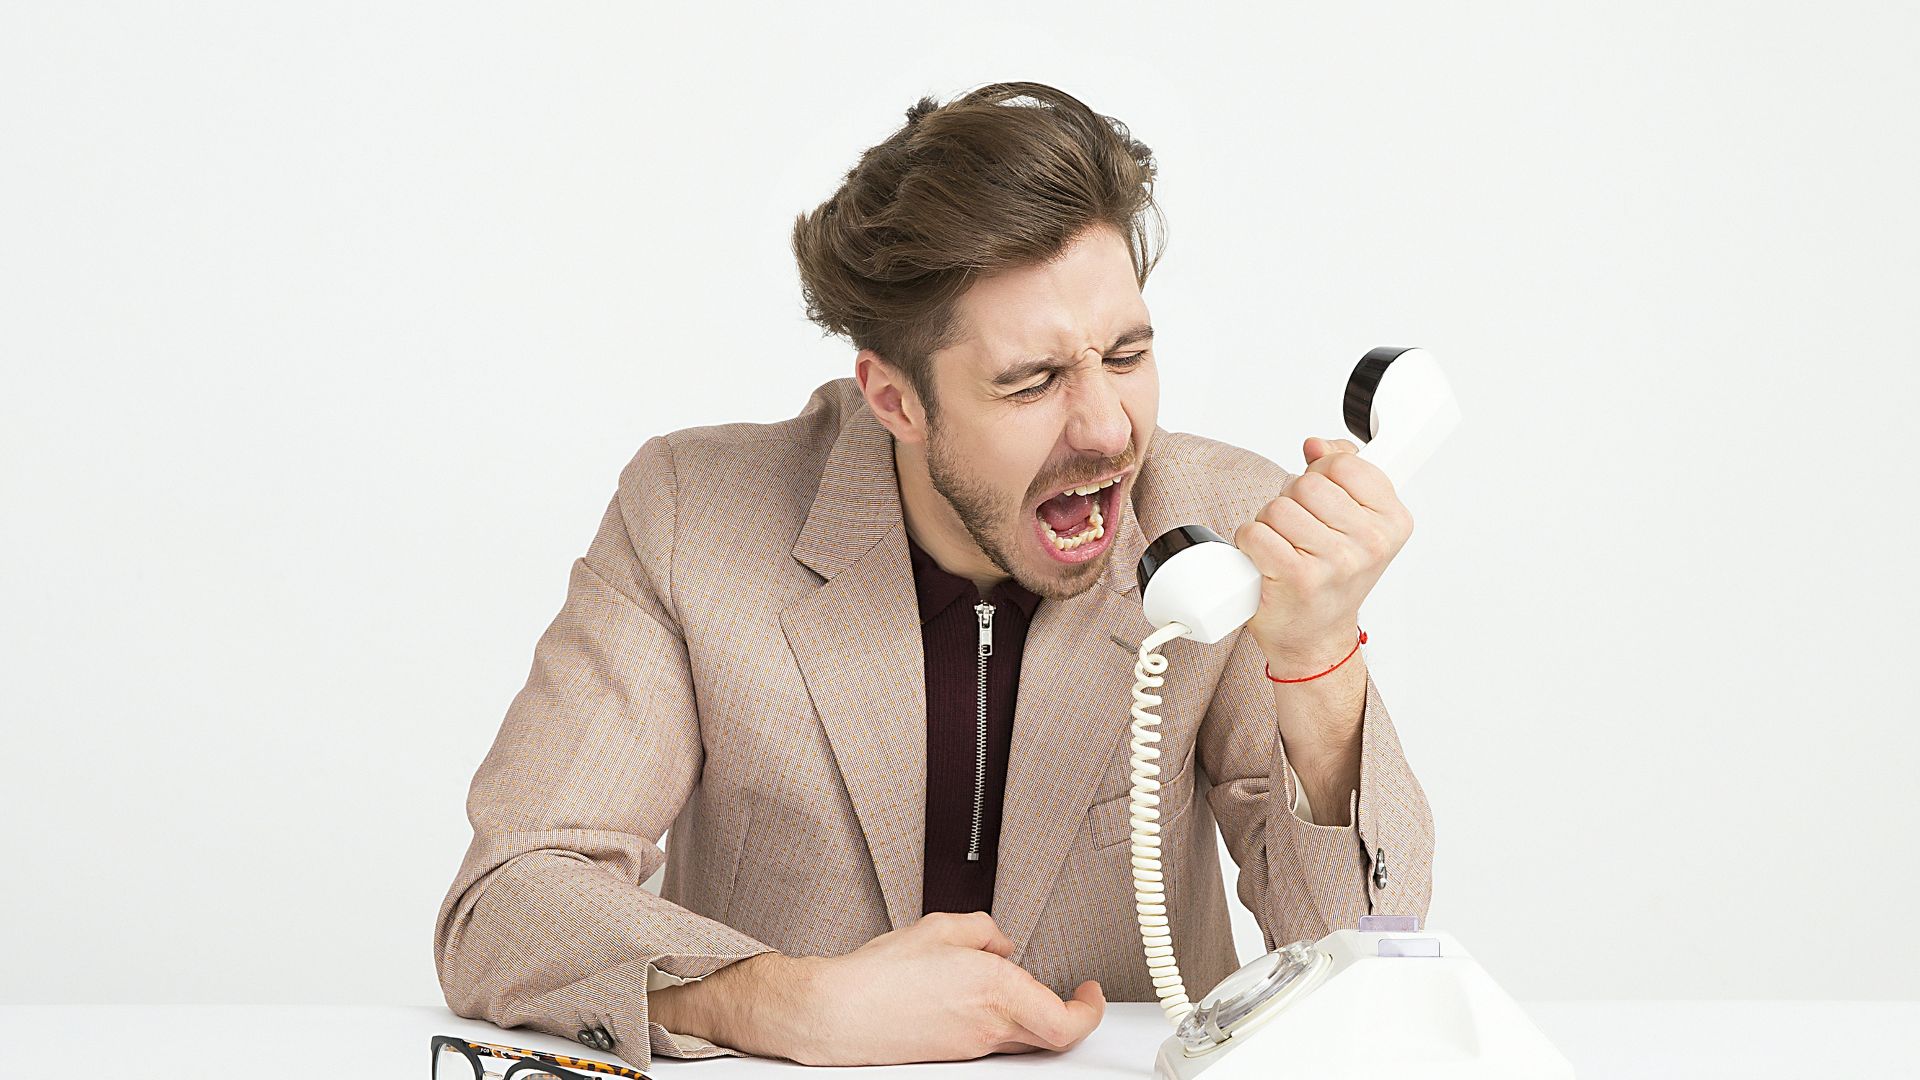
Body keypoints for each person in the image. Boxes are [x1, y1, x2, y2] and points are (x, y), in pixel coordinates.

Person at [433, 80, 1433, 1071]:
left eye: (1126, 355)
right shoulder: (692, 513)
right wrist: (782, 1003)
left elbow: (1367, 959)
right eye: (1031, 381)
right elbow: (507, 899)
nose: (1108, 429)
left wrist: (1316, 662)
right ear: (895, 399)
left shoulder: (1219, 524)